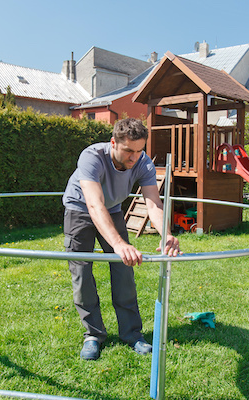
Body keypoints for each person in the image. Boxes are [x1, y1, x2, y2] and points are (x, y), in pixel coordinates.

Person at [62, 118, 181, 361]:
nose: (134, 157)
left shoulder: (143, 162)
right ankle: (93, 335)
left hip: (113, 209)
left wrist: (166, 234)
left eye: (139, 151)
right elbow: (94, 204)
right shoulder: (92, 156)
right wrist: (119, 244)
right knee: (82, 272)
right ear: (113, 143)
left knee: (124, 269)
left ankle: (132, 334)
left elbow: (153, 204)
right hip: (80, 209)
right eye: (128, 150)